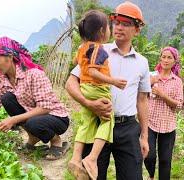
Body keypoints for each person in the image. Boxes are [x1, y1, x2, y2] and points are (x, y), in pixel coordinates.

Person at [66, 1, 151, 179]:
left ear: (137, 30)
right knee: (93, 176)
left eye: (126, 24)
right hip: (99, 122)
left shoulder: (142, 62)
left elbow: (142, 100)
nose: (119, 27)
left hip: (127, 128)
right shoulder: (97, 49)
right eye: (116, 22)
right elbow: (71, 83)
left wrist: (144, 136)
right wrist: (89, 103)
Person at [0, 36, 70, 160]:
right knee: (7, 98)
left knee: (33, 122)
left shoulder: (34, 74)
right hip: (35, 117)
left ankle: (56, 141)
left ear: (10, 57)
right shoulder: (4, 81)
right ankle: (33, 137)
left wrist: (13, 120)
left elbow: (44, 108)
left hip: (56, 118)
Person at [67, 10, 127, 180]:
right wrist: (113, 81)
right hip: (96, 88)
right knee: (108, 120)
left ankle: (76, 158)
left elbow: (77, 62)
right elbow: (93, 72)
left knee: (87, 122)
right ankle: (92, 158)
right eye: (109, 26)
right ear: (102, 31)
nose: (111, 30)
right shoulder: (99, 49)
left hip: (85, 87)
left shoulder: (83, 47)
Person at [144, 47, 183, 180]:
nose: (165, 60)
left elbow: (178, 106)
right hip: (149, 122)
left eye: (169, 57)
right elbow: (140, 96)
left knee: (165, 161)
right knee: (149, 155)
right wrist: (148, 84)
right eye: (163, 57)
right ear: (160, 58)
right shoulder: (151, 76)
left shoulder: (177, 82)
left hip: (168, 125)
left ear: (174, 61)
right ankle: (151, 175)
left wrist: (163, 95)